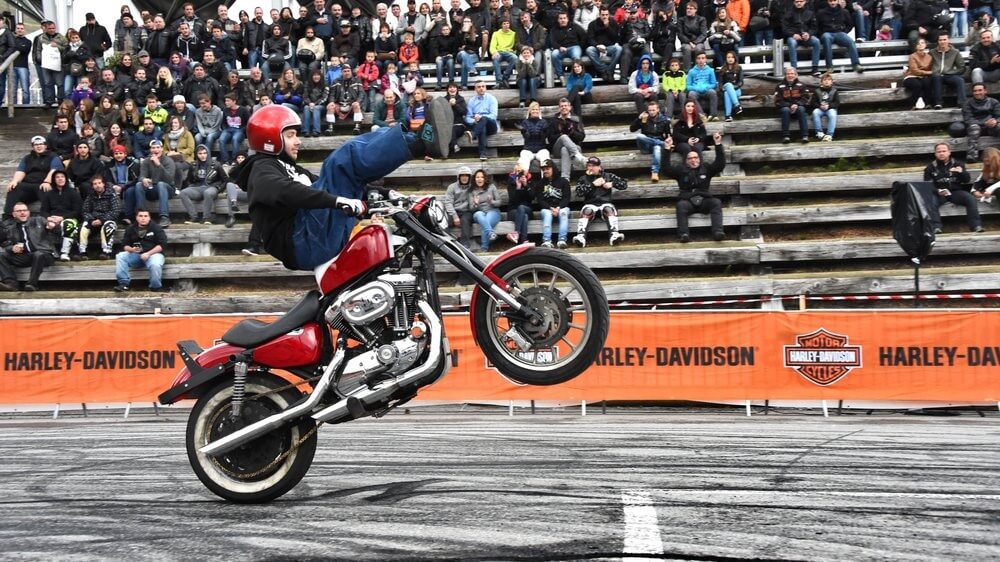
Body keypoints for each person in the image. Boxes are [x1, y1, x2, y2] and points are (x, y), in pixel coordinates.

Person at [229, 104, 441, 271]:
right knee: (340, 162)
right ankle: (419, 144)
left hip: (314, 235)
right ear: (269, 139)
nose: (299, 142)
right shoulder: (261, 169)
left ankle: (417, 138)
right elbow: (284, 191)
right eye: (291, 135)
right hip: (301, 241)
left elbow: (334, 185)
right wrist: (338, 201)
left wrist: (387, 194)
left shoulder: (290, 168)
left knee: (346, 163)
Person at [664, 132, 727, 242]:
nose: (693, 160)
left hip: (704, 200)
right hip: (688, 201)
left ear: (699, 158)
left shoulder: (706, 168)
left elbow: (720, 164)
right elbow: (666, 169)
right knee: (681, 205)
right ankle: (684, 234)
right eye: (690, 158)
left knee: (716, 202)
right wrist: (666, 149)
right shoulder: (680, 170)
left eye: (695, 157)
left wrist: (718, 144)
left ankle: (718, 232)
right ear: (686, 160)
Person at [923, 143, 985, 233]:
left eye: (944, 151)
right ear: (935, 154)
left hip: (956, 192)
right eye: (939, 151)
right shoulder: (930, 167)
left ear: (949, 152)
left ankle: (976, 226)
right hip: (939, 194)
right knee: (930, 202)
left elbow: (966, 180)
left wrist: (961, 172)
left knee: (970, 199)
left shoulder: (958, 164)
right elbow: (927, 185)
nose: (941, 153)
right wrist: (937, 191)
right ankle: (936, 227)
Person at [0, 202, 57, 291]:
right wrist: (12, 248)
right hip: (26, 256)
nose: (22, 213)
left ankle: (32, 284)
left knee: (38, 254)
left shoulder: (39, 220)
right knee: (1, 255)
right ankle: (11, 284)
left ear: (28, 212)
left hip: (45, 255)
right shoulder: (11, 228)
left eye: (24, 210)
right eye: (19, 211)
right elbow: (6, 244)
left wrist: (53, 226)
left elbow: (54, 229)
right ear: (14, 214)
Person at [574, 157, 628, 249]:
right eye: (589, 166)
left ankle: (614, 235)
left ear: (599, 167)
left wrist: (612, 184)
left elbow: (624, 184)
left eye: (593, 166)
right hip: (590, 204)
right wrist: (592, 185)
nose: (591, 168)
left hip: (605, 203)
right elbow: (578, 192)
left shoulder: (608, 176)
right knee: (587, 211)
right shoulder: (583, 178)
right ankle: (581, 237)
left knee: (609, 209)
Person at [5, 136, 64, 221]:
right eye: (36, 145)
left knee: (45, 189)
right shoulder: (27, 158)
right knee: (13, 189)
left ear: (45, 146)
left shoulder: (53, 156)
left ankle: (48, 217)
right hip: (28, 184)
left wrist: (47, 181)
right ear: (33, 146)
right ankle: (9, 217)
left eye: (41, 144)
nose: (39, 146)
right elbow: (21, 171)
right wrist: (15, 181)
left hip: (42, 184)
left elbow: (54, 170)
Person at [114, 209, 168, 292]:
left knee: (156, 264)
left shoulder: (156, 228)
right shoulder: (130, 228)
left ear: (149, 217)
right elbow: (124, 245)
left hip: (154, 254)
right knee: (120, 256)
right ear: (136, 217)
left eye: (145, 216)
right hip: (136, 255)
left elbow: (163, 244)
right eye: (141, 216)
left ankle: (155, 287)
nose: (143, 218)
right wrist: (131, 249)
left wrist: (148, 254)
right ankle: (123, 284)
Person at [40, 169, 83, 261]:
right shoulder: (48, 194)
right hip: (52, 221)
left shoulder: (73, 193)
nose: (60, 179)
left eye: (62, 177)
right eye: (57, 177)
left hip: (69, 219)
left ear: (66, 179)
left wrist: (62, 218)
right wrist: (49, 219)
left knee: (68, 224)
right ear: (54, 180)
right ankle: (50, 253)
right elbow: (43, 211)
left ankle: (65, 253)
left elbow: (77, 211)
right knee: (39, 226)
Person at [180, 145, 228, 224]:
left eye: (205, 153)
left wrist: (219, 189)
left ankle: (207, 218)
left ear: (208, 153)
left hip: (212, 187)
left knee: (207, 193)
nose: (203, 155)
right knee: (183, 193)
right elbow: (189, 179)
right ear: (197, 154)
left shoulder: (216, 164)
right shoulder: (193, 165)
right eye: (200, 153)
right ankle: (194, 217)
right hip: (198, 188)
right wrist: (190, 186)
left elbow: (226, 180)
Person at [77, 175, 121, 260]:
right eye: (95, 184)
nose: (98, 185)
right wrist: (91, 220)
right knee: (82, 228)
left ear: (103, 184)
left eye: (99, 183)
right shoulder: (90, 196)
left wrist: (102, 220)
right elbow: (85, 211)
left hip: (108, 220)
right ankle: (83, 252)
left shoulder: (112, 195)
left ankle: (106, 252)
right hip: (93, 220)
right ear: (92, 186)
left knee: (108, 227)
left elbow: (115, 212)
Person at [134, 140, 176, 228]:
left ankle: (164, 217)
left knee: (161, 184)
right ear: (150, 150)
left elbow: (169, 179)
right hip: (153, 188)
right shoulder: (146, 161)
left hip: (168, 189)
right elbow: (141, 176)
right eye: (153, 148)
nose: (155, 150)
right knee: (138, 185)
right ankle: (143, 216)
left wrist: (158, 164)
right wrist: (144, 179)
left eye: (158, 147)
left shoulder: (169, 161)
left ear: (162, 149)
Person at [815, 0, 864, 73]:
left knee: (850, 41)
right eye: (830, 1)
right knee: (826, 38)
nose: (832, 2)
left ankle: (856, 64)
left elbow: (850, 24)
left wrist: (844, 32)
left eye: (834, 0)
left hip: (839, 33)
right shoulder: (821, 12)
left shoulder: (844, 11)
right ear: (827, 1)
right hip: (827, 33)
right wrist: (822, 33)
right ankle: (829, 66)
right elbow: (817, 26)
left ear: (838, 1)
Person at [630, 100, 672, 183]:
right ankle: (660, 143)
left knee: (657, 147)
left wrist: (668, 139)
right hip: (645, 145)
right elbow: (632, 129)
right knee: (639, 136)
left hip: (657, 144)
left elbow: (668, 134)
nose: (651, 112)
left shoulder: (664, 120)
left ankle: (655, 172)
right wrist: (638, 119)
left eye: (653, 110)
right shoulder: (644, 118)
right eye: (650, 110)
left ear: (658, 110)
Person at [533, 158, 572, 248]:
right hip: (547, 209)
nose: (545, 171)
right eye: (543, 169)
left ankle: (562, 240)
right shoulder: (540, 184)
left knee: (563, 213)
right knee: (547, 214)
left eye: (547, 168)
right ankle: (547, 241)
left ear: (553, 168)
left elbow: (566, 198)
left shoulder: (564, 182)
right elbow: (540, 200)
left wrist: (558, 208)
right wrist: (550, 208)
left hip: (562, 208)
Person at [546, 97, 588, 180]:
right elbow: (550, 138)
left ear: (570, 107)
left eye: (566, 105)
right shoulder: (554, 120)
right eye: (562, 106)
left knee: (565, 149)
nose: (564, 107)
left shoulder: (576, 120)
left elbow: (582, 137)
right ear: (559, 108)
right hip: (557, 149)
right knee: (564, 137)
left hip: (575, 147)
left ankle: (565, 178)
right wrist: (561, 135)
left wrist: (572, 132)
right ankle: (579, 157)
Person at [963, 82, 1000, 162]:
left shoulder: (994, 102)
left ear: (985, 91)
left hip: (991, 127)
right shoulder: (967, 103)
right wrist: (984, 123)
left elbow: (998, 115)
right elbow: (968, 119)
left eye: (980, 90)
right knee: (974, 127)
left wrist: (995, 121)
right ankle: (972, 156)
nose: (977, 93)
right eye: (975, 91)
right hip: (976, 127)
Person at [585, 7, 622, 83]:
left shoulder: (613, 23)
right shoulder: (592, 24)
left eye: (606, 15)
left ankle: (609, 71)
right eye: (603, 15)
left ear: (609, 15)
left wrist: (607, 27)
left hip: (609, 48)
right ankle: (604, 70)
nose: (605, 17)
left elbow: (616, 38)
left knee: (619, 49)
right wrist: (597, 45)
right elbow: (590, 39)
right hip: (597, 48)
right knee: (589, 50)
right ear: (599, 15)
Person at [775, 66, 810, 144]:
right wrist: (789, 105)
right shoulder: (779, 86)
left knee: (801, 109)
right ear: (785, 75)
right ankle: (786, 136)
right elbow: (778, 101)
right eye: (788, 74)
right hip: (785, 110)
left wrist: (797, 104)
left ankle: (805, 136)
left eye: (792, 74)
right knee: (785, 110)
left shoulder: (802, 85)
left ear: (796, 75)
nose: (790, 75)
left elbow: (806, 98)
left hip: (798, 109)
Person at [465, 80, 499, 161]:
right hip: (478, 124)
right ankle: (483, 154)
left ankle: (473, 135)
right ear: (475, 89)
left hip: (491, 125)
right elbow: (467, 117)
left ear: (486, 88)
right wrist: (474, 121)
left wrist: (481, 117)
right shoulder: (472, 101)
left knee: (483, 119)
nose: (481, 89)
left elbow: (494, 115)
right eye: (479, 87)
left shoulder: (491, 99)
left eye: (483, 86)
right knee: (482, 127)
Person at [930, 34, 966, 109]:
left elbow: (962, 68)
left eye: (944, 39)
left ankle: (962, 103)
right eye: (940, 40)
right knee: (937, 77)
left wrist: (951, 72)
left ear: (948, 40)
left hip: (949, 75)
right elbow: (926, 65)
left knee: (960, 80)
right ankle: (938, 103)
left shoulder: (955, 52)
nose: (942, 42)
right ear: (938, 41)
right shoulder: (932, 52)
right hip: (936, 75)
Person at [469, 169, 501, 251]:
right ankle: (490, 233)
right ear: (474, 179)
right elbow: (471, 208)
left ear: (485, 178)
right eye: (477, 177)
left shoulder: (491, 187)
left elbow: (499, 202)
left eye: (482, 177)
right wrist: (476, 203)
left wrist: (492, 202)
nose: (479, 179)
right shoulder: (472, 191)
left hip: (493, 211)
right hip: (480, 213)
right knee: (479, 214)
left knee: (485, 221)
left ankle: (484, 248)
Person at [444, 165, 475, 248]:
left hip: (467, 211)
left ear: (469, 177)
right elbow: (448, 202)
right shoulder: (452, 187)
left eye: (466, 175)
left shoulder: (472, 187)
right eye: (462, 175)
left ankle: (465, 244)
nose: (464, 178)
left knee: (465, 220)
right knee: (444, 222)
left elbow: (473, 204)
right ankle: (446, 243)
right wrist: (454, 216)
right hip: (453, 210)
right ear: (459, 177)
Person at [506, 163, 534, 244]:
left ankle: (516, 233)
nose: (519, 173)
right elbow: (513, 200)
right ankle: (524, 240)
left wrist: (526, 185)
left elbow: (532, 197)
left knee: (522, 207)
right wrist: (518, 188)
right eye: (517, 171)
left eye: (521, 171)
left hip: (527, 209)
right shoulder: (511, 183)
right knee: (524, 215)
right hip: (513, 210)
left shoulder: (530, 182)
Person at [686, 52, 719, 121]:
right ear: (696, 60)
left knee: (713, 92)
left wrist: (707, 87)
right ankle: (702, 115)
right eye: (699, 58)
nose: (701, 60)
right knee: (691, 94)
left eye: (703, 58)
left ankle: (713, 115)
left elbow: (714, 84)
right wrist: (696, 88)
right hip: (696, 91)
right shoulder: (691, 71)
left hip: (707, 90)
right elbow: (688, 86)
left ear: (706, 59)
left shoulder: (710, 70)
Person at [903, 37, 934, 110]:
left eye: (922, 43)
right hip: (911, 76)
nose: (920, 45)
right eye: (918, 44)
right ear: (916, 46)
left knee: (927, 82)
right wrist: (928, 72)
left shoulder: (929, 57)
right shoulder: (912, 56)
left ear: (925, 45)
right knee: (917, 85)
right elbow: (914, 71)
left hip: (923, 77)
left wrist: (928, 73)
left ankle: (927, 103)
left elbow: (931, 69)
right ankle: (912, 104)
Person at [678, 2, 709, 70]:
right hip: (686, 42)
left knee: (699, 48)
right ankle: (687, 71)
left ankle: (699, 69)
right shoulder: (681, 20)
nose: (688, 10)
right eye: (687, 8)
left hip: (698, 41)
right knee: (687, 48)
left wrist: (695, 42)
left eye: (691, 8)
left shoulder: (701, 19)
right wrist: (689, 42)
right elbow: (680, 34)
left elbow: (704, 34)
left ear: (695, 10)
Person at [811, 72, 840, 142]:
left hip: (830, 109)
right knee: (815, 112)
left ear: (831, 82)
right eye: (825, 80)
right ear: (821, 82)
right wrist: (819, 106)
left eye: (829, 80)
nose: (827, 81)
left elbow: (837, 103)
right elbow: (812, 102)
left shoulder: (834, 91)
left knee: (833, 114)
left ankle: (829, 135)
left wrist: (829, 106)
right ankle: (819, 132)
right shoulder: (817, 91)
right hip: (820, 109)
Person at [490, 17, 517, 87]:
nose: (506, 25)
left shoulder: (513, 34)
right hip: (499, 52)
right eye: (504, 24)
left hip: (509, 52)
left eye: (507, 23)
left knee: (515, 58)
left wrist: (514, 51)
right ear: (501, 25)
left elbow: (516, 46)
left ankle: (505, 77)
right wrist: (494, 52)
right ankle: (499, 81)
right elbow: (492, 46)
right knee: (495, 58)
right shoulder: (496, 34)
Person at [718, 51, 744, 122]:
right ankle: (736, 106)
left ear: (735, 58)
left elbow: (741, 82)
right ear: (726, 59)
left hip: (737, 90)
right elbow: (720, 82)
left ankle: (728, 115)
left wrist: (734, 87)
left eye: (732, 57)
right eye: (728, 57)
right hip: (726, 90)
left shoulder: (739, 68)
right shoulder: (722, 69)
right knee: (727, 90)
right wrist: (722, 88)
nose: (730, 59)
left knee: (729, 89)